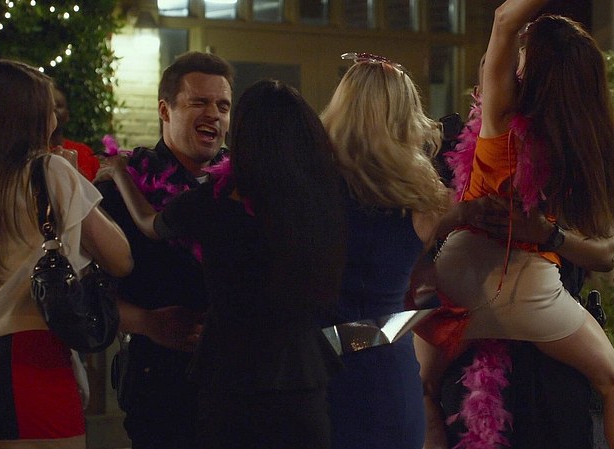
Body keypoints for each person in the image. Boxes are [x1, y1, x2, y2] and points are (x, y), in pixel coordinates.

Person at [416, 1, 614, 448]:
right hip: (532, 293)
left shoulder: (499, 120)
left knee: (422, 387)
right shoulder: (581, 143)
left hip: (458, 281)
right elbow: (607, 250)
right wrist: (545, 234)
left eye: (523, 51)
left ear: (530, 69)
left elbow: (505, 17)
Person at [97, 79, 347, 449]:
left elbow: (151, 225)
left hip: (231, 378)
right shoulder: (321, 202)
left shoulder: (212, 202)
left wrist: (120, 172)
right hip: (301, 376)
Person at [0, 59, 132, 448]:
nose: (56, 117)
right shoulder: (49, 171)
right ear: (28, 115)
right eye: (49, 107)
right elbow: (120, 258)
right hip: (33, 360)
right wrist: (75, 180)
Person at [94, 51, 233, 449]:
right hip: (161, 392)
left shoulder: (246, 188)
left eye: (223, 106)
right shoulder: (121, 190)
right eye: (199, 102)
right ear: (164, 110)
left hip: (242, 391)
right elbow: (87, 293)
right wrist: (147, 322)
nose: (214, 114)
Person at [318, 53, 451, 449]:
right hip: (387, 371)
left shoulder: (309, 185)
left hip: (318, 366)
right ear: (405, 115)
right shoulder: (424, 198)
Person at [51, 85, 101, 181]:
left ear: (67, 115)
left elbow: (96, 188)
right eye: (50, 107)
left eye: (59, 106)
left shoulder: (85, 152)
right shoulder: (31, 154)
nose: (54, 111)